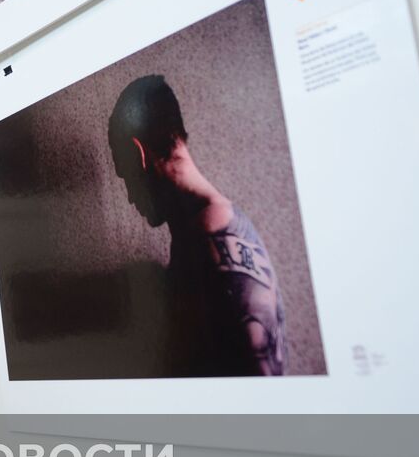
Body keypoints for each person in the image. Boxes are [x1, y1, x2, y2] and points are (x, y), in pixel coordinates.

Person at [108, 75, 287, 375]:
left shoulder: (213, 232)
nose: (128, 198)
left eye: (124, 176)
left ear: (137, 154)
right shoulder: (199, 233)